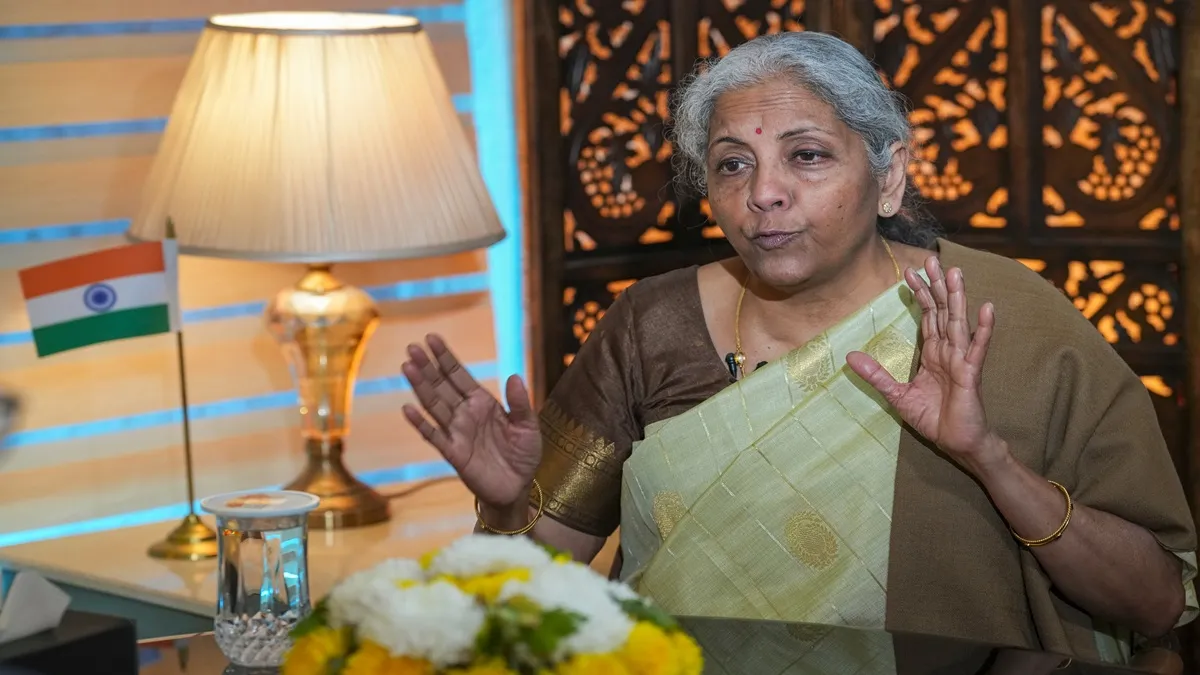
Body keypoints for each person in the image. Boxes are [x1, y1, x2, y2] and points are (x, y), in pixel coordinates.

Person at [401, 31, 1196, 668]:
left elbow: (1159, 601)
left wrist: (991, 461)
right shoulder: (652, 326)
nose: (763, 193)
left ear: (889, 176)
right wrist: (503, 506)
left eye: (806, 155)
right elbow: (521, 596)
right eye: (732, 164)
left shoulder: (1003, 319)